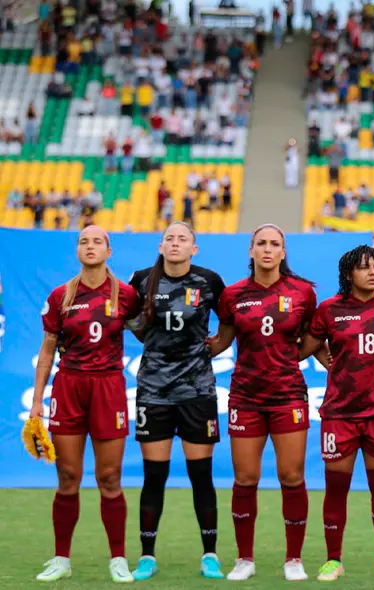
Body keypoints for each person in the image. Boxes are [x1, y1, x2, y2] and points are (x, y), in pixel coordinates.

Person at [31, 226, 141, 583]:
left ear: (109, 250)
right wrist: (36, 404)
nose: (90, 246)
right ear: (77, 250)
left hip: (108, 388)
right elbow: (47, 351)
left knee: (109, 478)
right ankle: (61, 559)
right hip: (69, 386)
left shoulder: (126, 295)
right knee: (67, 477)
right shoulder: (61, 295)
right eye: (84, 241)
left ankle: (118, 559)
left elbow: (148, 333)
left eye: (97, 241)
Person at [208, 224, 318, 581]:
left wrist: (293, 360)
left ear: (283, 253)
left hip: (287, 395)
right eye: (261, 244)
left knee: (291, 475)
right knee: (246, 477)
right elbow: (222, 341)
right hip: (246, 396)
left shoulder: (303, 293)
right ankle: (244, 559)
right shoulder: (233, 294)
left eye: (275, 244)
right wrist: (182, 346)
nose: (268, 249)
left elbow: (314, 339)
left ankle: (294, 559)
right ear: (251, 251)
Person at [298, 245, 374, 582]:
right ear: (349, 274)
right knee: (337, 489)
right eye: (365, 267)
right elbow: (307, 345)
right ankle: (333, 560)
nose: (373, 272)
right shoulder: (330, 310)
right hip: (339, 413)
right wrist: (326, 361)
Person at [126, 222, 227, 581]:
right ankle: (147, 557)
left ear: (194, 249)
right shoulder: (140, 279)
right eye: (169, 238)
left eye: (182, 238)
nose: (175, 243)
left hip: (198, 391)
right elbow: (131, 319)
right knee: (155, 476)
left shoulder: (209, 281)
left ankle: (210, 555)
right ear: (161, 245)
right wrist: (151, 344)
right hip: (153, 391)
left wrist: (214, 347)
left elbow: (229, 323)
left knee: (201, 475)